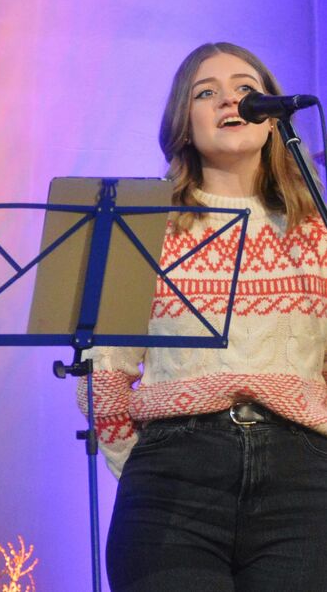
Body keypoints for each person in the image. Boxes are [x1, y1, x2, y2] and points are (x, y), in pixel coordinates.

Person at [82, 42, 327, 591]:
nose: (229, 101)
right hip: (175, 478)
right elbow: (106, 373)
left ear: (272, 119)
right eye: (206, 92)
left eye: (246, 89)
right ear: (183, 123)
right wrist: (145, 466)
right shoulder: (145, 225)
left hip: (305, 480)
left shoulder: (317, 231)